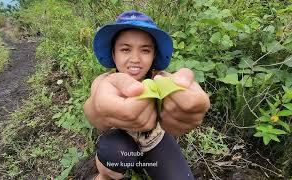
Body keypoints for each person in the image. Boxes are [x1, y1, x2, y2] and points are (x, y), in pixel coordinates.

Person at [84, 10, 210, 180]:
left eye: (145, 50)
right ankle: (104, 174)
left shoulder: (159, 78)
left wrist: (184, 94)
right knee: (115, 156)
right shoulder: (106, 81)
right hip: (121, 146)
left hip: (154, 142)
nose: (135, 58)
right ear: (113, 54)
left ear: (154, 55)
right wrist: (95, 109)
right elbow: (94, 104)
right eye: (125, 49)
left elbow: (174, 84)